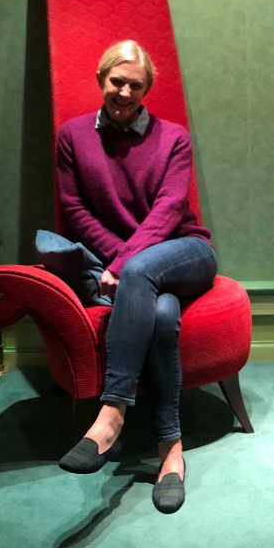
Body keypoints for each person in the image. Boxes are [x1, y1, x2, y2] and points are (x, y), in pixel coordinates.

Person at [56, 40, 216, 514]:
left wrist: (123, 265)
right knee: (162, 317)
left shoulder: (174, 138)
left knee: (143, 270)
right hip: (129, 270)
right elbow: (75, 208)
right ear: (100, 79)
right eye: (117, 81)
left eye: (136, 85)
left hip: (186, 252)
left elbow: (169, 209)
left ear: (147, 90)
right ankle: (171, 452)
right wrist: (120, 263)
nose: (125, 92)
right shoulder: (72, 135)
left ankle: (111, 415)